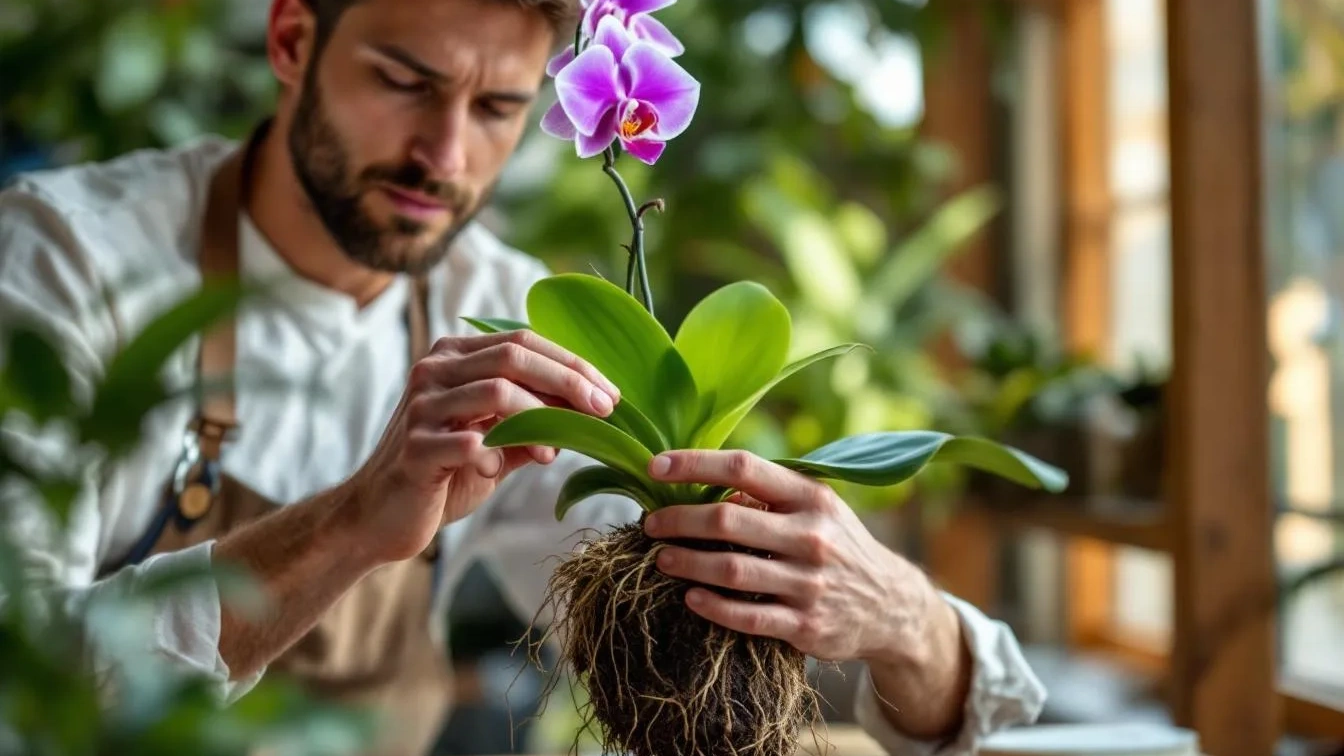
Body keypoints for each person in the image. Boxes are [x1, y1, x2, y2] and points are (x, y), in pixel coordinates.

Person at [0, 0, 1046, 754]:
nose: (444, 155)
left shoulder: (504, 314)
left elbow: (746, 620)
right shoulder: (63, 263)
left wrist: (901, 619)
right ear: (292, 39)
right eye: (405, 83)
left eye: (499, 105)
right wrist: (352, 523)